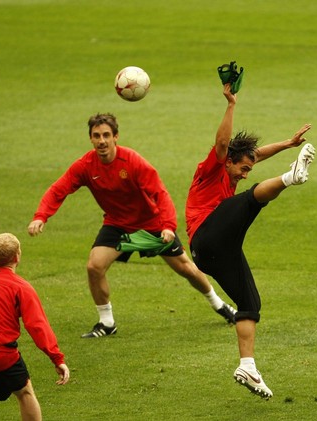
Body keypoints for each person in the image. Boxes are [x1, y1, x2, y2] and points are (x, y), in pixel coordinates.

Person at [27, 113, 236, 338]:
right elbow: (60, 189)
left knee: (186, 268)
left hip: (152, 224)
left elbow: (159, 192)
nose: (102, 141)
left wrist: (167, 225)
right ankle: (107, 323)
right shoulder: (86, 166)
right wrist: (41, 216)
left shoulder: (132, 161)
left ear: (116, 136)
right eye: (96, 136)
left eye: (106, 135)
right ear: (90, 139)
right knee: (94, 266)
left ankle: (218, 304)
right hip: (117, 225)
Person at [185, 83, 315, 399]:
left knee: (250, 303)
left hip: (218, 252)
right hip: (205, 237)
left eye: (248, 168)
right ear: (227, 161)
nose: (244, 172)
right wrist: (231, 105)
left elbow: (254, 155)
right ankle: (290, 178)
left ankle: (247, 366)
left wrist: (288, 143)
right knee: (247, 201)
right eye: (242, 168)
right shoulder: (212, 169)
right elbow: (222, 142)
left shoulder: (233, 173)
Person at [0, 233, 70, 421]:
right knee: (25, 393)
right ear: (17, 256)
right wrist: (57, 358)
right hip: (0, 356)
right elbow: (37, 326)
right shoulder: (21, 287)